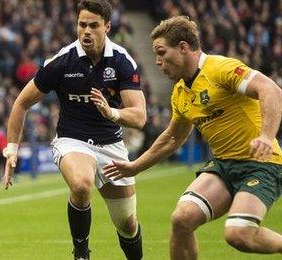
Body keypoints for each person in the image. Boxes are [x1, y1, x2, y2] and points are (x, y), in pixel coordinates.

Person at [103, 16, 282, 259]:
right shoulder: (180, 93)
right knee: (182, 219)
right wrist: (135, 167)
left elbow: (270, 89)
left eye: (161, 52)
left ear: (184, 48)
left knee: (238, 234)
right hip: (224, 165)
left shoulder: (220, 69)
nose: (157, 61)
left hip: (261, 165)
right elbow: (172, 138)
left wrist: (266, 135)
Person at [1, 0, 146, 259]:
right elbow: (22, 103)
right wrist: (12, 148)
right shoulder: (62, 62)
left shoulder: (123, 62)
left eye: (93, 25)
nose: (86, 31)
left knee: (127, 223)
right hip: (72, 140)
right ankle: (81, 254)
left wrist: (112, 112)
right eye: (82, 25)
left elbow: (139, 116)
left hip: (111, 144)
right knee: (81, 184)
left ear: (107, 27)